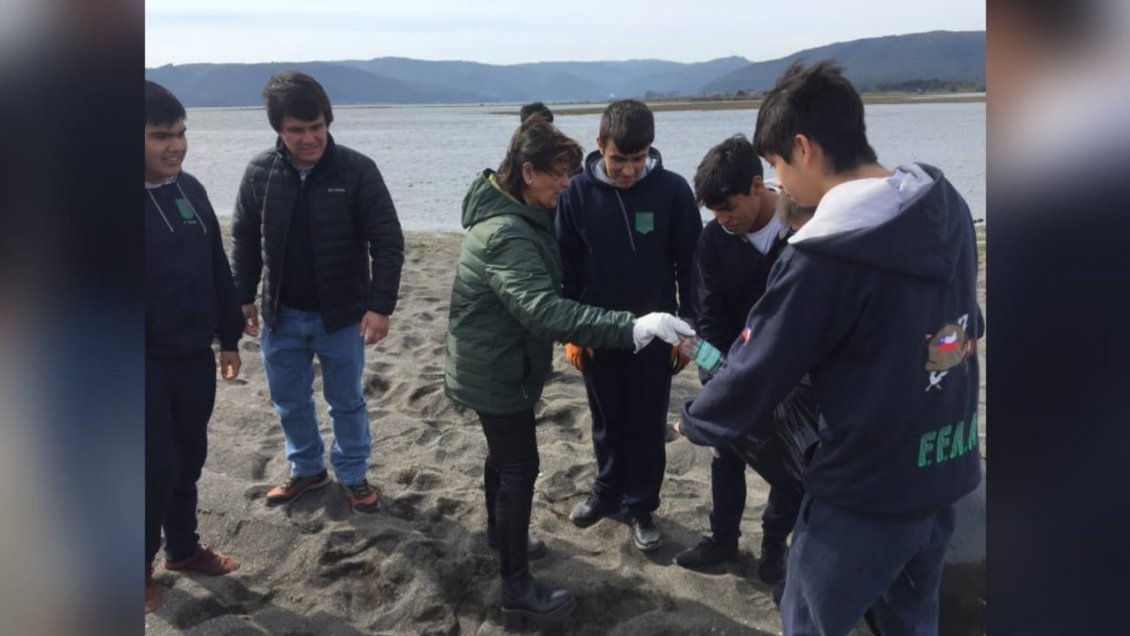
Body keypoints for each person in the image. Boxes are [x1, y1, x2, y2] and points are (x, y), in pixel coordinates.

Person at [678, 60, 983, 636]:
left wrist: (696, 421)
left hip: (867, 487)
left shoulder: (825, 255)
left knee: (810, 618)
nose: (779, 183)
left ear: (803, 148)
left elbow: (760, 365)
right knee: (912, 616)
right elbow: (968, 324)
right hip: (948, 462)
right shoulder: (948, 206)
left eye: (775, 166)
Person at [444, 115, 693, 630]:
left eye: (566, 173)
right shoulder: (509, 233)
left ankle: (499, 535)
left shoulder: (518, 213)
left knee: (505, 458)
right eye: (557, 174)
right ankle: (516, 588)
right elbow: (544, 309)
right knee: (519, 469)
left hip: (499, 360)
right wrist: (628, 327)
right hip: (501, 366)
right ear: (528, 172)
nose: (566, 182)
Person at [231, 71, 405, 514]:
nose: (309, 138)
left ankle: (352, 473)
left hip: (342, 315)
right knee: (289, 401)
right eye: (297, 130)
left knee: (346, 401)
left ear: (328, 122)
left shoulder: (357, 170)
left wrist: (380, 306)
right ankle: (306, 468)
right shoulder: (259, 173)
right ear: (279, 129)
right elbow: (246, 239)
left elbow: (387, 240)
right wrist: (243, 297)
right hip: (280, 314)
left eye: (317, 127)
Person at [556, 99, 702, 552]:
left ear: (650, 151)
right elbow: (566, 267)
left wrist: (688, 329)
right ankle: (605, 489)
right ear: (600, 146)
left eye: (638, 160)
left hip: (658, 334)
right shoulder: (576, 192)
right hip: (597, 329)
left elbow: (690, 267)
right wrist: (573, 333)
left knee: (645, 420)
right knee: (605, 417)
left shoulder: (673, 191)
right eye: (619, 159)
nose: (628, 170)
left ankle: (640, 504)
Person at [672, 135, 799, 586]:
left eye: (729, 207)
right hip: (733, 369)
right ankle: (722, 541)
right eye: (714, 213)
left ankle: (774, 549)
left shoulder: (802, 226)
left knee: (790, 466)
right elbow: (708, 322)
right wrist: (719, 379)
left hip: (795, 373)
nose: (724, 220)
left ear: (757, 184)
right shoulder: (713, 241)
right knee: (724, 453)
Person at [145, 80, 244, 613]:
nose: (177, 146)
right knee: (152, 462)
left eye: (181, 133)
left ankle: (182, 549)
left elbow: (215, 267)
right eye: (162, 136)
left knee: (190, 456)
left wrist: (227, 337)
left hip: (192, 352)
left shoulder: (191, 190)